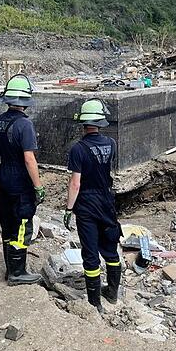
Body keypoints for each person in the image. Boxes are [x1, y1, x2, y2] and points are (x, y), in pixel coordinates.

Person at [63, 98, 122, 312]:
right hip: (107, 202)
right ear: (100, 121)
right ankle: (113, 294)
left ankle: (95, 302)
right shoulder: (111, 144)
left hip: (86, 204)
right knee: (110, 250)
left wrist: (69, 209)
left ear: (83, 123)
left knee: (90, 254)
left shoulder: (78, 149)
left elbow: (75, 183)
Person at [0, 74, 45, 286]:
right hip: (20, 184)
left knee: (7, 224)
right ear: (25, 100)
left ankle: (10, 269)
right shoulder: (24, 125)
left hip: (4, 178)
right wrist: (38, 187)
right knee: (22, 226)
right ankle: (17, 273)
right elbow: (29, 159)